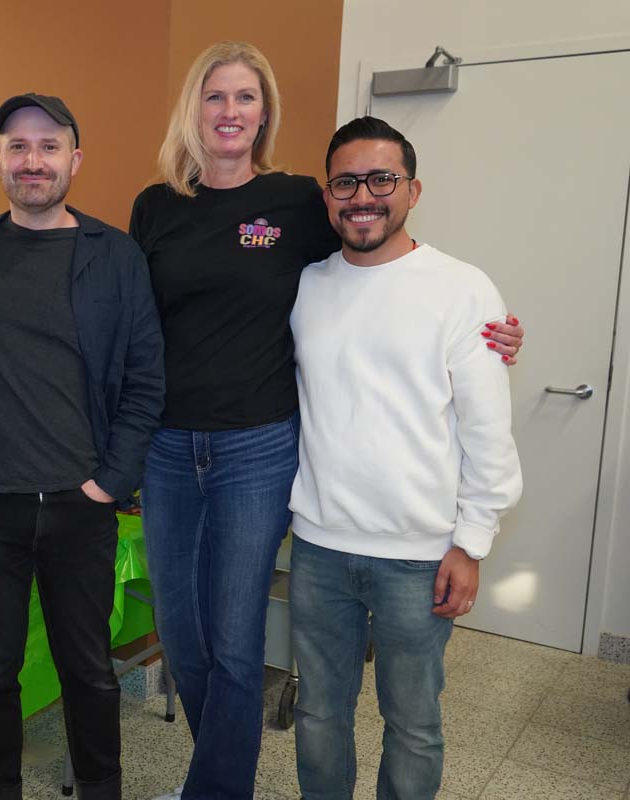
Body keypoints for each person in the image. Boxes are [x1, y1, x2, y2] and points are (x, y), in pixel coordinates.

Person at [130, 42, 524, 800]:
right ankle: (215, 777)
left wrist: (494, 329)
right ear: (194, 109)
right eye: (217, 96)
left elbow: (387, 257)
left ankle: (215, 790)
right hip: (172, 449)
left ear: (265, 113)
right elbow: (132, 324)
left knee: (240, 642)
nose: (231, 112)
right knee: (186, 637)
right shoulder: (157, 207)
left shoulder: (297, 205)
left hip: (257, 449)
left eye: (247, 97)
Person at [0, 93, 165, 800]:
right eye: (18, 147)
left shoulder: (114, 255)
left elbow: (147, 377)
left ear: (74, 160)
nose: (34, 161)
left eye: (49, 146)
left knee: (87, 668)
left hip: (79, 504)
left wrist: (110, 481)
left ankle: (100, 788)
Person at [288, 116, 523, 800]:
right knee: (319, 716)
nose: (363, 196)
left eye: (381, 179)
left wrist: (471, 542)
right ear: (327, 195)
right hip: (319, 549)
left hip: (420, 559)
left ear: (412, 190)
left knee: (413, 723)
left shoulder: (462, 288)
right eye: (345, 181)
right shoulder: (305, 286)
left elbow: (487, 428)